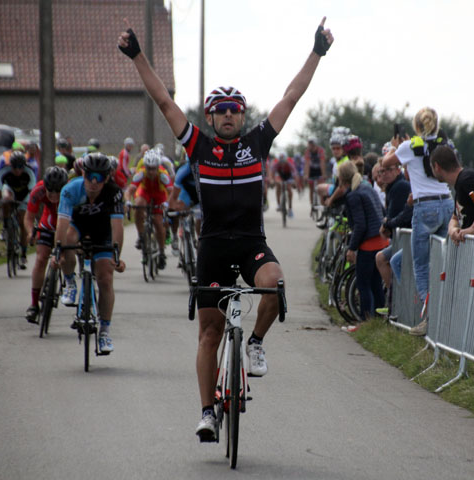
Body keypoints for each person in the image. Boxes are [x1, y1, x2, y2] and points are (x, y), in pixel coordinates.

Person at [119, 15, 333, 442]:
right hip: (214, 245)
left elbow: (291, 97)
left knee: (275, 285)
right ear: (211, 117)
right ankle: (207, 413)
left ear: (243, 115)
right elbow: (164, 101)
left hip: (252, 242)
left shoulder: (257, 142)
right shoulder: (198, 144)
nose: (230, 116)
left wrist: (317, 52)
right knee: (210, 333)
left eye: (236, 110)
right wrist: (137, 55)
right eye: (221, 111)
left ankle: (254, 342)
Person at [382, 108, 457, 322]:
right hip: (446, 202)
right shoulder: (444, 145)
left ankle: (429, 318)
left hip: (425, 208)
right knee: (438, 261)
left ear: (416, 126)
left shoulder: (408, 147)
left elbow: (386, 163)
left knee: (421, 266)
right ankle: (442, 311)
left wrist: (397, 146)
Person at [55, 153, 125, 352]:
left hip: (103, 232)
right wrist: (57, 250)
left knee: (105, 278)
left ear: (108, 178)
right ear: (83, 173)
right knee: (67, 239)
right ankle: (69, 282)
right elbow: (62, 223)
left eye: (100, 177)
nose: (94, 182)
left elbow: (117, 226)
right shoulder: (70, 190)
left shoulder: (114, 192)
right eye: (90, 176)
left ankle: (104, 333)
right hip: (78, 226)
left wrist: (116, 256)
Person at [339, 161, 388, 320]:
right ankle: (379, 320)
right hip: (381, 242)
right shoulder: (367, 187)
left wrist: (352, 248)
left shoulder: (353, 195)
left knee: (364, 285)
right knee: (376, 285)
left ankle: (365, 321)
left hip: (368, 246)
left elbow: (360, 225)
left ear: (342, 178)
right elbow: (382, 211)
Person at [24, 166, 69, 323]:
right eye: (51, 192)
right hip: (48, 224)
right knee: (41, 258)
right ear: (46, 187)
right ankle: (34, 304)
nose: (55, 196)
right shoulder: (38, 191)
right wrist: (30, 232)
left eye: (58, 192)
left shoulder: (71, 191)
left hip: (66, 226)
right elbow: (29, 217)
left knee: (65, 257)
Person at [374, 157, 412, 312]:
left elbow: (398, 216)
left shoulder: (400, 186)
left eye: (389, 169)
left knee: (382, 258)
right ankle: (394, 298)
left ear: (398, 170)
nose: (385, 174)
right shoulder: (392, 187)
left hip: (408, 237)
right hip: (399, 236)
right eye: (382, 171)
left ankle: (395, 299)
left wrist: (387, 223)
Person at [125, 148, 171, 269]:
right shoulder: (141, 173)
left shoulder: (163, 175)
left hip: (159, 194)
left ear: (157, 167)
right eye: (149, 168)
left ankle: (161, 252)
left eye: (154, 168)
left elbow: (171, 192)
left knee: (157, 222)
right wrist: (128, 202)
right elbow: (130, 190)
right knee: (139, 204)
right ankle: (141, 236)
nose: (151, 172)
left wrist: (167, 203)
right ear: (145, 167)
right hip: (145, 192)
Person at [0, 151, 37, 269]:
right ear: (10, 165)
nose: (18, 170)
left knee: (23, 223)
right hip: (10, 193)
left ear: (24, 166)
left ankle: (23, 252)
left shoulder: (29, 173)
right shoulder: (3, 172)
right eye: (15, 167)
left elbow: (32, 193)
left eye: (20, 167)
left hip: (24, 196)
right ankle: (6, 226)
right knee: (5, 199)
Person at [271, 153, 298, 217]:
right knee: (278, 185)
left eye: (283, 162)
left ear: (286, 160)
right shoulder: (276, 164)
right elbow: (272, 173)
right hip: (280, 175)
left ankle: (290, 208)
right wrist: (272, 181)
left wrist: (295, 182)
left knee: (289, 189)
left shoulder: (289, 163)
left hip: (288, 176)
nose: (282, 163)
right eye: (281, 162)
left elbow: (294, 173)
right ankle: (278, 204)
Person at [304, 137, 326, 210]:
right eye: (309, 144)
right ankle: (312, 205)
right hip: (311, 170)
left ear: (314, 145)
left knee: (320, 187)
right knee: (311, 188)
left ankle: (322, 204)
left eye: (311, 144)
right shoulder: (307, 152)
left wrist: (323, 175)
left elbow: (322, 163)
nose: (310, 146)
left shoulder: (320, 151)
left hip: (319, 169)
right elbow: (307, 164)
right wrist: (306, 175)